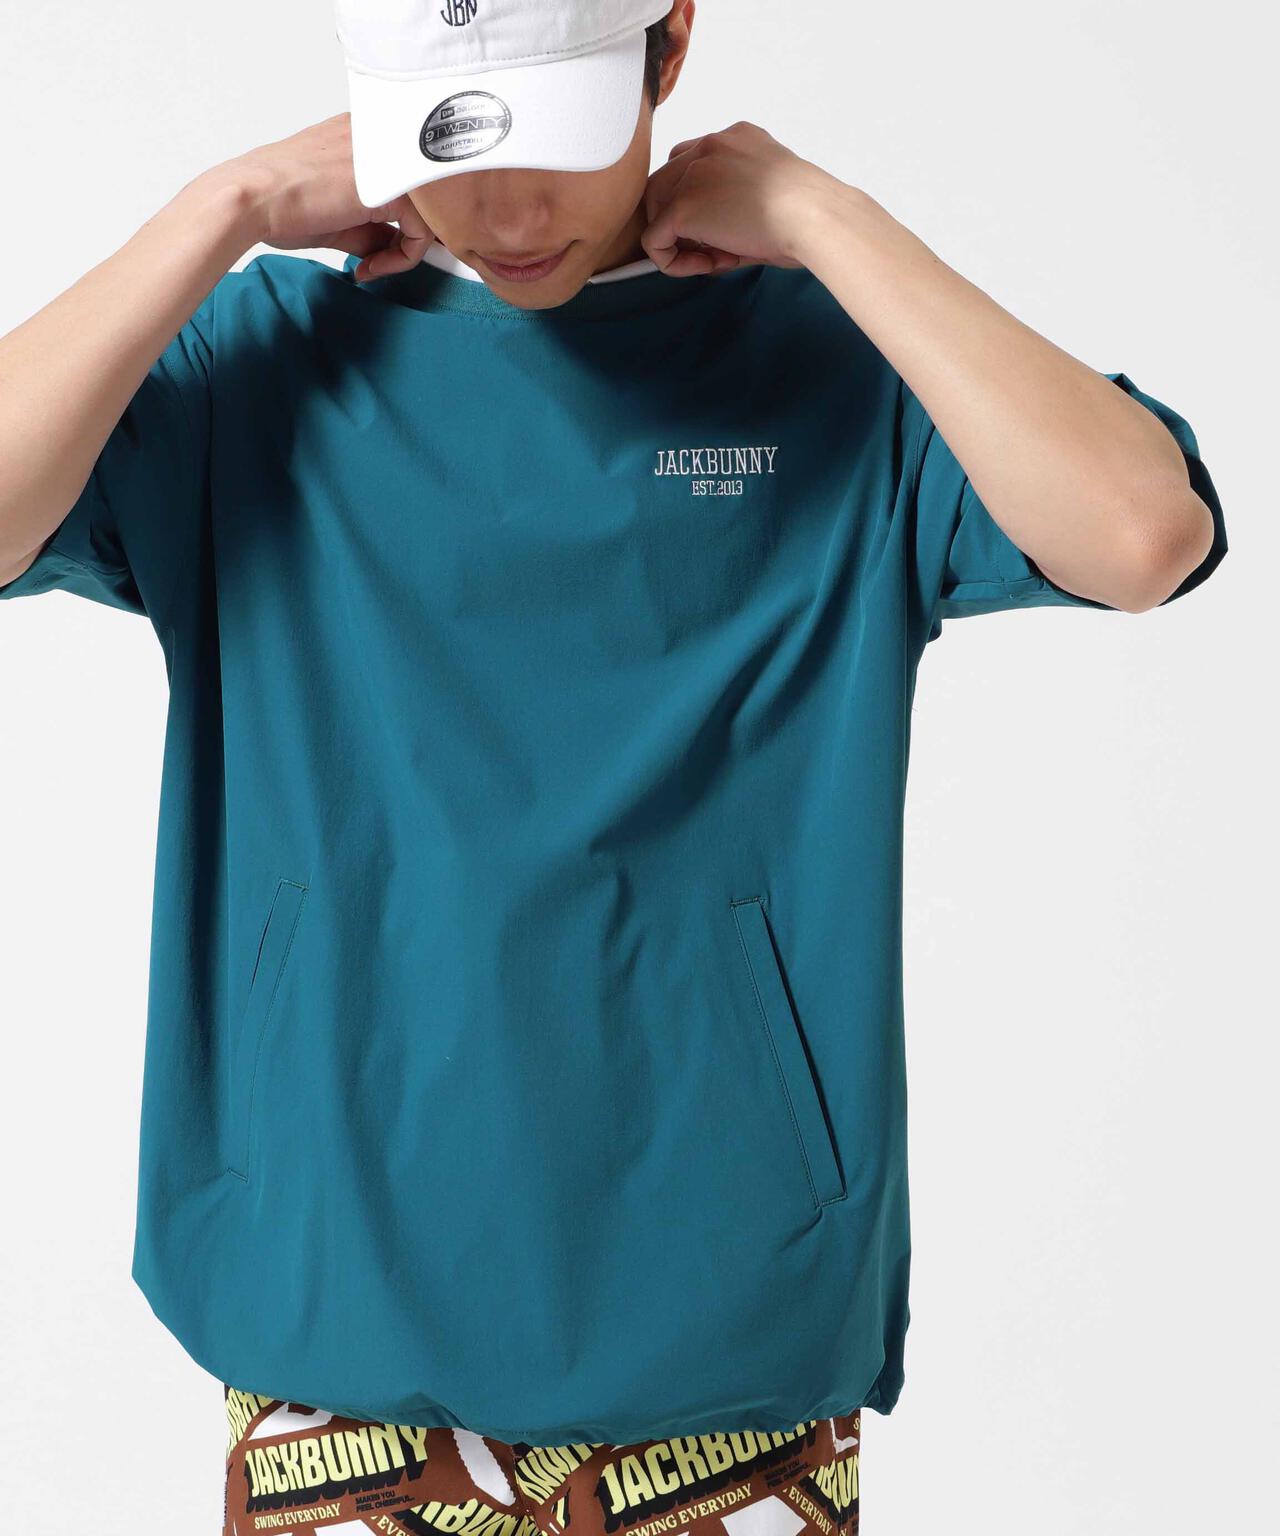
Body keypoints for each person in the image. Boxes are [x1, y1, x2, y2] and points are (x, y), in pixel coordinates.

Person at [0, 1, 1226, 1532]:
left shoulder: (825, 370)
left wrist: (827, 219)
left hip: (725, 1354)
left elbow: (1143, 536)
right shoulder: (263, 371)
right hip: (331, 1341)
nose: (512, 212)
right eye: (455, 146)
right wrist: (221, 209)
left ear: (671, 43)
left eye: (556, 143)